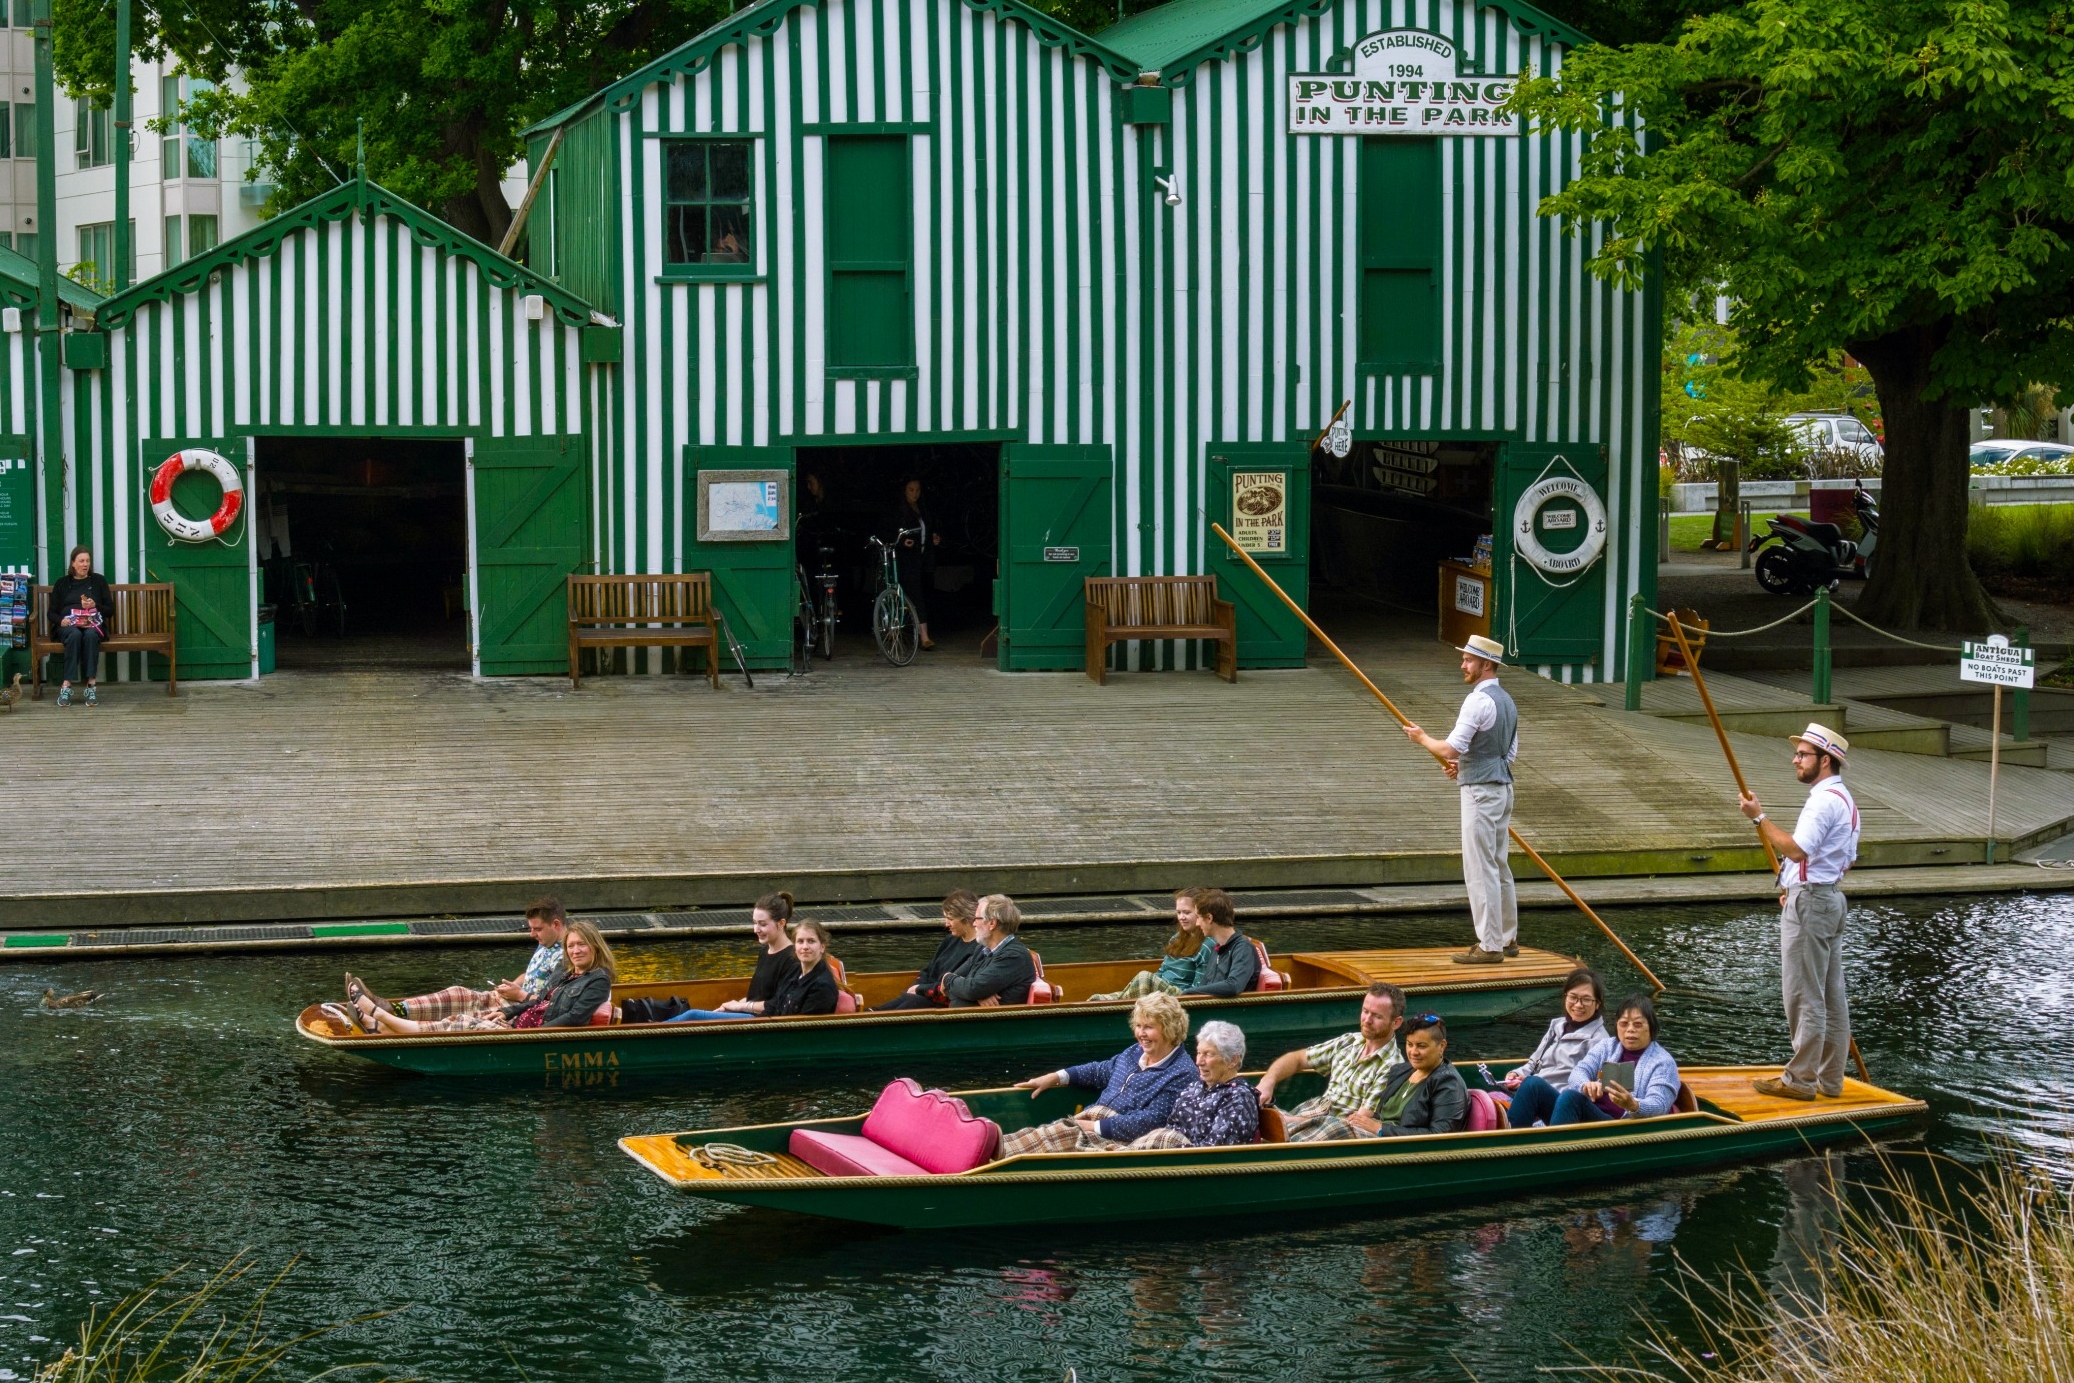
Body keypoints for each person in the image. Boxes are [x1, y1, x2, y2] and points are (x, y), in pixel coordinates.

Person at [1740, 723, 1861, 1102]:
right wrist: (1796, 886)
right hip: (1828, 899)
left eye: (1803, 754)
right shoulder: (1845, 800)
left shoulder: (1823, 800)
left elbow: (1796, 850)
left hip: (1813, 904)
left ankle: (1800, 1080)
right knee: (1830, 994)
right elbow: (1845, 860)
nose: (1795, 759)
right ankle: (1829, 1080)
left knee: (1804, 994)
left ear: (1825, 761)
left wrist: (1758, 817)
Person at [1401, 633, 1519, 964]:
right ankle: (1507, 938)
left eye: (1468, 660)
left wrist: (1422, 738)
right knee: (1498, 865)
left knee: (1481, 868)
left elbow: (1451, 748)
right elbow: (1507, 753)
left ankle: (1490, 945)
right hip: (1502, 789)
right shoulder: (1507, 701)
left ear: (1486, 665)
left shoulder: (1477, 701)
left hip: (1481, 795)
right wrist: (1464, 768)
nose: (1463, 664)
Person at [1000, 993, 1196, 1154]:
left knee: (1047, 1138)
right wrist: (1055, 1077)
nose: (1140, 1033)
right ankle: (986, 1147)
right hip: (1089, 1121)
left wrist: (1094, 1127)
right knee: (1038, 1134)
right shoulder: (1134, 1052)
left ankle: (989, 1156)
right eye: (1138, 1026)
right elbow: (1099, 1071)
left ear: (1169, 1029)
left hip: (1113, 1138)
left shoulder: (1182, 1073)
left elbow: (1151, 1120)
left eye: (1149, 1027)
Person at [345, 920, 616, 1034]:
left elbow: (575, 1018)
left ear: (594, 946)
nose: (576, 950)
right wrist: (508, 1014)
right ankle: (387, 1014)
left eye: (582, 945)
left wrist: (529, 1034)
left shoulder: (597, 979)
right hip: (520, 1023)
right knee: (460, 996)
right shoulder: (566, 970)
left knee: (464, 1022)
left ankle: (381, 1023)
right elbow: (539, 1001)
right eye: (572, 946)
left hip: (529, 1034)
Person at [347, 898, 569, 1022]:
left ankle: (384, 1021)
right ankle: (390, 1007)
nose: (532, 934)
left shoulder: (568, 957)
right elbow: (532, 973)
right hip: (509, 998)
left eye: (537, 929)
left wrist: (518, 995)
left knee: (463, 1015)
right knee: (457, 993)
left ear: (556, 925)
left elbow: (549, 1000)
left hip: (520, 1010)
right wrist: (514, 984)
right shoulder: (545, 943)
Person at [1254, 982, 1406, 1142]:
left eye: (1377, 1016)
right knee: (1250, 1103)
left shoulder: (1393, 1066)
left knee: (1330, 1127)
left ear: (1396, 1022)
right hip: (1314, 1112)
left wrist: (1294, 1121)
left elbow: (1358, 1121)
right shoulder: (1348, 1041)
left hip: (1340, 1128)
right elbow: (1296, 1059)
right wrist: (1267, 1082)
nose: (1367, 1020)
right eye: (1365, 1011)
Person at [621, 893, 794, 1023]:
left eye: (763, 924)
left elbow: (777, 1005)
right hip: (748, 1012)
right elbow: (756, 996)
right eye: (754, 923)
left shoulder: (791, 958)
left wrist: (739, 1006)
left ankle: (648, 1033)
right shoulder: (765, 951)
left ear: (781, 923)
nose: (756, 929)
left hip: (763, 1020)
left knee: (692, 1015)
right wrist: (729, 1006)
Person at [1500, 967, 1612, 1127]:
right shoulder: (1557, 1026)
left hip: (1565, 1106)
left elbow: (1599, 1088)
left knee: (1532, 1085)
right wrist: (1516, 1074)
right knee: (1527, 1085)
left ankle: (1509, 1142)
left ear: (1597, 1003)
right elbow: (1534, 1063)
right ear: (1565, 996)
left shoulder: (1600, 1041)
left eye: (1586, 1000)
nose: (1578, 1005)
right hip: (1539, 1095)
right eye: (1573, 997)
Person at [669, 917, 842, 1021]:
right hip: (764, 1023)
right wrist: (740, 1006)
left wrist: (744, 1008)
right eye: (800, 941)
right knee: (694, 1015)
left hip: (771, 1034)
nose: (805, 947)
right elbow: (776, 1005)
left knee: (693, 1017)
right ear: (795, 946)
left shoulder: (822, 986)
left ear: (822, 947)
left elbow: (804, 1029)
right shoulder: (796, 974)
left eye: (811, 941)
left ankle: (652, 1031)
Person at [1549, 994, 1682, 1125]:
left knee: (1570, 1097)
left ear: (1651, 1027)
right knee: (1533, 1085)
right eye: (1624, 1024)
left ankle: (1551, 1146)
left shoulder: (1663, 1063)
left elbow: (1659, 1105)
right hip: (1591, 1111)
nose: (1630, 1030)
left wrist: (1633, 1104)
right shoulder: (1607, 1046)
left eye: (1637, 1024)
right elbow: (1579, 1071)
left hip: (1620, 1126)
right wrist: (1586, 1085)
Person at [1127, 1020, 1260, 1149]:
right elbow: (1170, 1128)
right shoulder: (1194, 1088)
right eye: (1199, 1053)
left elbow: (1213, 1152)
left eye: (1208, 1054)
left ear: (1233, 1060)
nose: (1199, 1062)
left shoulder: (1238, 1098)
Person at [1357, 1013, 1470, 1137]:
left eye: (1421, 1046)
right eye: (1409, 1044)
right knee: (1334, 1122)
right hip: (1375, 1136)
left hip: (1399, 1148)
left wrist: (1380, 1129)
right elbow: (1383, 1115)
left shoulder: (1448, 1082)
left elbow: (1440, 1135)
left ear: (1441, 1046)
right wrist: (1362, 1121)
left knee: (1335, 1130)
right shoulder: (1400, 1071)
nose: (1413, 1052)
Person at [1087, 888, 1207, 1002]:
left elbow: (1197, 989)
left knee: (1145, 978)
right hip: (1159, 991)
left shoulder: (1207, 945)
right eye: (1178, 912)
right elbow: (1161, 972)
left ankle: (1119, 1004)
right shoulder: (1175, 939)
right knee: (1096, 999)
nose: (1181, 917)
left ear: (1200, 913)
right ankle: (1115, 1003)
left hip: (1178, 996)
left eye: (1187, 912)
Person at [875, 890, 983, 1010]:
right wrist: (916, 987)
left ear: (966, 920)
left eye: (950, 919)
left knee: (912, 1001)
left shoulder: (978, 948)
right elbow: (927, 971)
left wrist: (919, 989)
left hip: (944, 1002)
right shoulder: (949, 940)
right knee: (907, 998)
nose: (946, 924)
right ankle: (871, 1013)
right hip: (923, 995)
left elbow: (952, 984)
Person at [48, 545, 114, 708]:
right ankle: (66, 686)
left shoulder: (98, 581)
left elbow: (110, 610)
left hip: (92, 623)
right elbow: (51, 613)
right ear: (73, 564)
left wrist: (95, 605)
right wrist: (60, 621)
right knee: (75, 635)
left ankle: (91, 685)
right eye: (81, 561)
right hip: (68, 625)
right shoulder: (62, 583)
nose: (85, 564)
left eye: (87, 561)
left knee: (90, 635)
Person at [941, 894, 1036, 1007]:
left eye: (977, 918)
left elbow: (970, 989)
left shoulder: (1014, 956)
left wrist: (948, 979)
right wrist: (974, 994)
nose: (974, 923)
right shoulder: (982, 949)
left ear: (992, 923)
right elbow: (948, 988)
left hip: (995, 1022)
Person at [886, 477, 942, 650]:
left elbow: (928, 528)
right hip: (906, 560)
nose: (915, 494)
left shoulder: (922, 508)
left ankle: (919, 632)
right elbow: (890, 532)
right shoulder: (898, 510)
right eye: (911, 490)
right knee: (916, 595)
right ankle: (924, 636)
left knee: (922, 594)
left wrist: (934, 537)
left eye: (917, 490)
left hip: (922, 558)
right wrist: (902, 542)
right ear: (904, 491)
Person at [1182, 889, 1259, 997]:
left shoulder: (1243, 948)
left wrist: (1190, 992)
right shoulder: (1217, 948)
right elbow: (1206, 983)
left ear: (1209, 918)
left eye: (1198, 917)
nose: (1197, 923)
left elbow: (1234, 986)